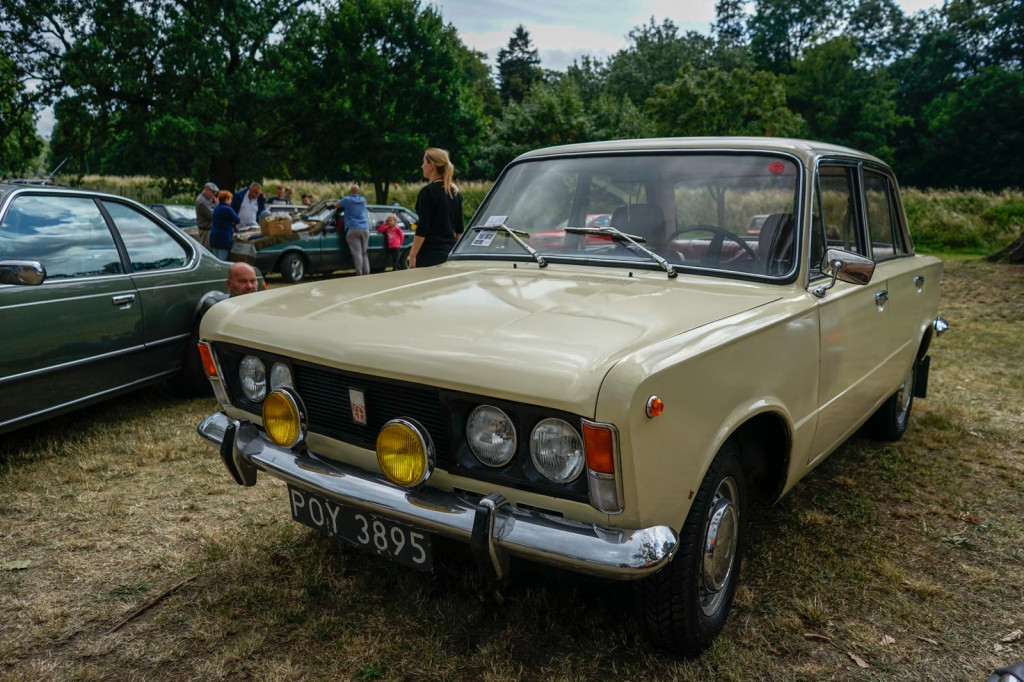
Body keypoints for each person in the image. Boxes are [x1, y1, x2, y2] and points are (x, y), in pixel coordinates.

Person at [411, 147, 463, 268]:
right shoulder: (455, 193)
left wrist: (413, 255)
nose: (421, 166)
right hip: (449, 254)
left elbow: (423, 227)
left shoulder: (427, 192)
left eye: (424, 162)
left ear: (431, 165)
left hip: (429, 255)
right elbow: (459, 229)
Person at [338, 184, 371, 275]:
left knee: (357, 253)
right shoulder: (363, 200)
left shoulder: (346, 200)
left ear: (350, 191)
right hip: (365, 228)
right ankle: (367, 272)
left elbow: (337, 205)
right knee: (364, 252)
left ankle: (359, 273)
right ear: (359, 192)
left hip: (353, 228)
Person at [210, 190, 240, 260]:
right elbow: (237, 220)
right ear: (226, 199)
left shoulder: (216, 208)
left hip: (214, 236)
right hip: (223, 237)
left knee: (216, 259)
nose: (231, 201)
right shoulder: (228, 209)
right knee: (222, 260)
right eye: (230, 199)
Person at [194, 181, 218, 248]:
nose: (215, 194)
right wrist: (217, 205)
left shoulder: (208, 199)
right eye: (213, 192)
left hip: (208, 229)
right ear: (207, 190)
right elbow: (212, 215)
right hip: (206, 231)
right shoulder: (202, 201)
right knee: (207, 250)